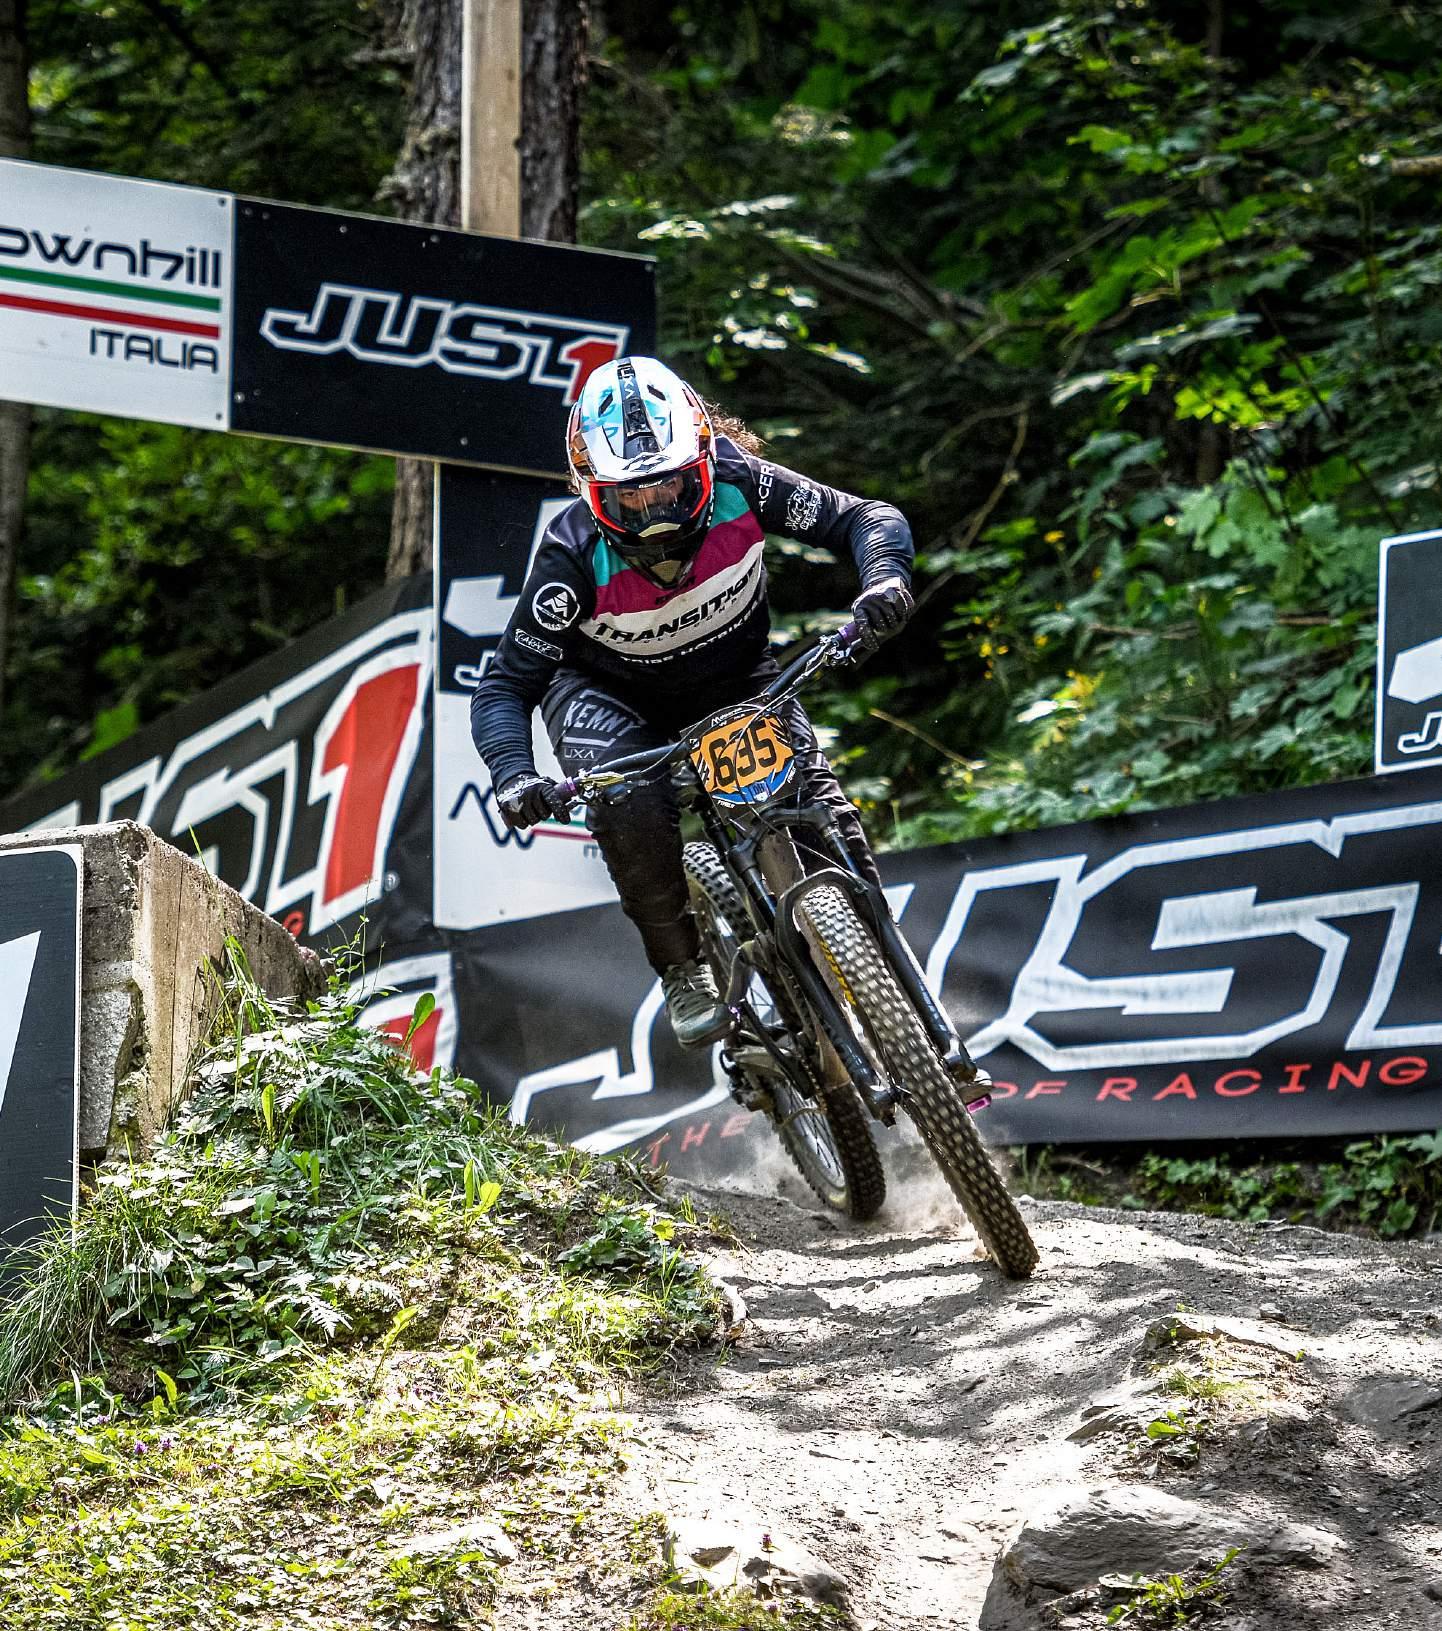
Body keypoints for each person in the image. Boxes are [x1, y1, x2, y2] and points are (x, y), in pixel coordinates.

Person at [470, 355, 914, 1048]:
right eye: (628, 499)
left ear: (704, 461)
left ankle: (888, 976)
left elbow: (865, 517)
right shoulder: (569, 557)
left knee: (821, 820)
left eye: (670, 487)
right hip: (611, 697)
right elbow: (505, 685)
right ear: (591, 493)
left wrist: (884, 579)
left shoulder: (744, 481)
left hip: (736, 677)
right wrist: (513, 775)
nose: (654, 517)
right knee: (629, 802)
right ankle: (682, 968)